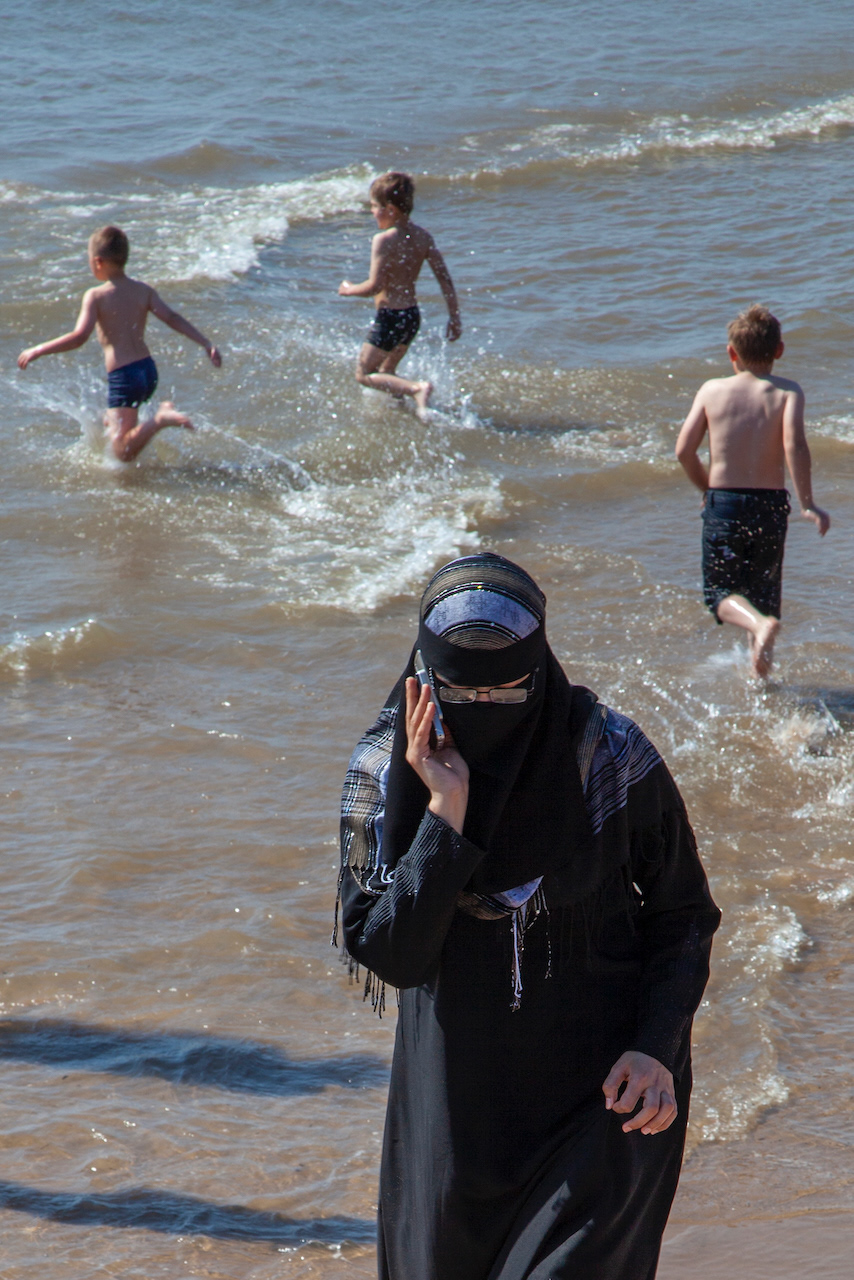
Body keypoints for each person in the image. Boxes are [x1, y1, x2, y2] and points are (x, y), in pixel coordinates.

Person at [335, 552, 720, 1280]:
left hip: (606, 1098)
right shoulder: (383, 772)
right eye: (459, 692)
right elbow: (390, 955)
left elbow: (685, 912)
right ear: (424, 676)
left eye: (507, 689)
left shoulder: (607, 755)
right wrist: (446, 818)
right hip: (453, 1119)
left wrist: (656, 1045)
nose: (483, 710)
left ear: (540, 667)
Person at [675, 304, 830, 677]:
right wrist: (807, 503)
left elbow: (684, 450)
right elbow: (795, 445)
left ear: (732, 353)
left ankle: (758, 630)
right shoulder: (788, 392)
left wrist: (707, 487)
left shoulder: (712, 390)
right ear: (779, 350)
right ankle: (762, 684)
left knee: (721, 595)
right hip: (770, 506)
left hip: (725, 504)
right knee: (763, 599)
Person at [17, 225, 222, 462]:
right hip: (147, 371)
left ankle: (160, 419)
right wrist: (206, 343)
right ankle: (139, 425)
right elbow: (172, 318)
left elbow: (79, 336)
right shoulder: (143, 290)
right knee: (113, 424)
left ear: (98, 262)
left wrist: (38, 350)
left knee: (120, 451)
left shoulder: (96, 296)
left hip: (125, 376)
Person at [338, 171, 461, 419]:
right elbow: (444, 279)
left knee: (363, 374)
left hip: (390, 317)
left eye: (374, 206)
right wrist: (454, 316)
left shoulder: (383, 240)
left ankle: (417, 389)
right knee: (387, 371)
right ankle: (406, 412)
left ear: (390, 209)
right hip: (411, 317)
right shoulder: (423, 236)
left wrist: (348, 289)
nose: (372, 212)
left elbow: (374, 286)